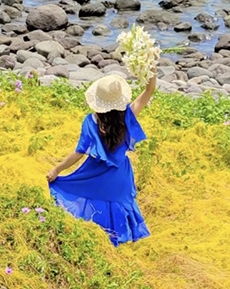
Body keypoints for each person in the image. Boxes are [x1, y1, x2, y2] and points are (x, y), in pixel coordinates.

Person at [47, 71, 156, 246]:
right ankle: (119, 239)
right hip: (120, 176)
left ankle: (100, 238)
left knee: (93, 201)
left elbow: (79, 153)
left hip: (95, 174)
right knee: (119, 203)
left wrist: (56, 170)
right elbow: (150, 90)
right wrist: (151, 68)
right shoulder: (128, 115)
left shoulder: (90, 121)